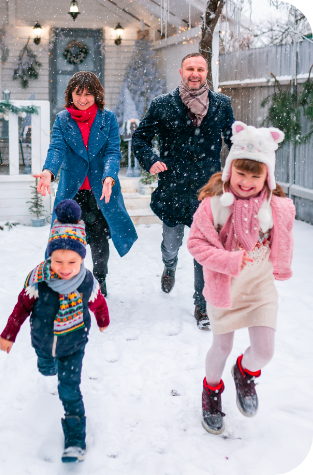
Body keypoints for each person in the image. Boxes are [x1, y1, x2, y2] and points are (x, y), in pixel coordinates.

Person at [187, 122, 295, 434]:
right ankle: (211, 390)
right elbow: (196, 244)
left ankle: (244, 372)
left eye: (255, 174)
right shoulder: (213, 207)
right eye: (241, 173)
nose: (246, 182)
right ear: (230, 169)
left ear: (268, 177)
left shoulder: (276, 207)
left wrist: (282, 265)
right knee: (221, 347)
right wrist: (229, 259)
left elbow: (283, 239)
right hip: (225, 288)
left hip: (260, 288)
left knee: (265, 350)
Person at [0, 200, 109, 463]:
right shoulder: (38, 279)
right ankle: (46, 363)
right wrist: (8, 334)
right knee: (46, 366)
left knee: (69, 390)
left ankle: (75, 440)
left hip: (74, 344)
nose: (65, 267)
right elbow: (21, 307)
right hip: (43, 340)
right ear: (49, 257)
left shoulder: (87, 281)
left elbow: (98, 302)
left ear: (82, 258)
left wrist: (103, 320)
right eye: (57, 260)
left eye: (72, 260)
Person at [132, 52, 235, 330]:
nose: (195, 73)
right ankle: (169, 264)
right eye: (190, 68)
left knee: (204, 251)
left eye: (200, 69)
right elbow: (140, 138)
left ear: (206, 73)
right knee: (171, 241)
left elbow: (234, 141)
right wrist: (151, 160)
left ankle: (202, 306)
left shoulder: (222, 104)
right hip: (173, 190)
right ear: (181, 72)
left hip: (207, 192)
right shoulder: (162, 105)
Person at [34, 71, 137, 296]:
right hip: (73, 191)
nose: (83, 99)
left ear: (96, 95)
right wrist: (49, 171)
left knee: (99, 239)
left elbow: (112, 151)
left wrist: (109, 176)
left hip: (101, 190)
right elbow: (57, 148)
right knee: (66, 239)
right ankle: (67, 280)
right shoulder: (63, 119)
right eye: (78, 93)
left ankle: (100, 279)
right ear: (70, 94)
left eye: (88, 94)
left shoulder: (107, 117)